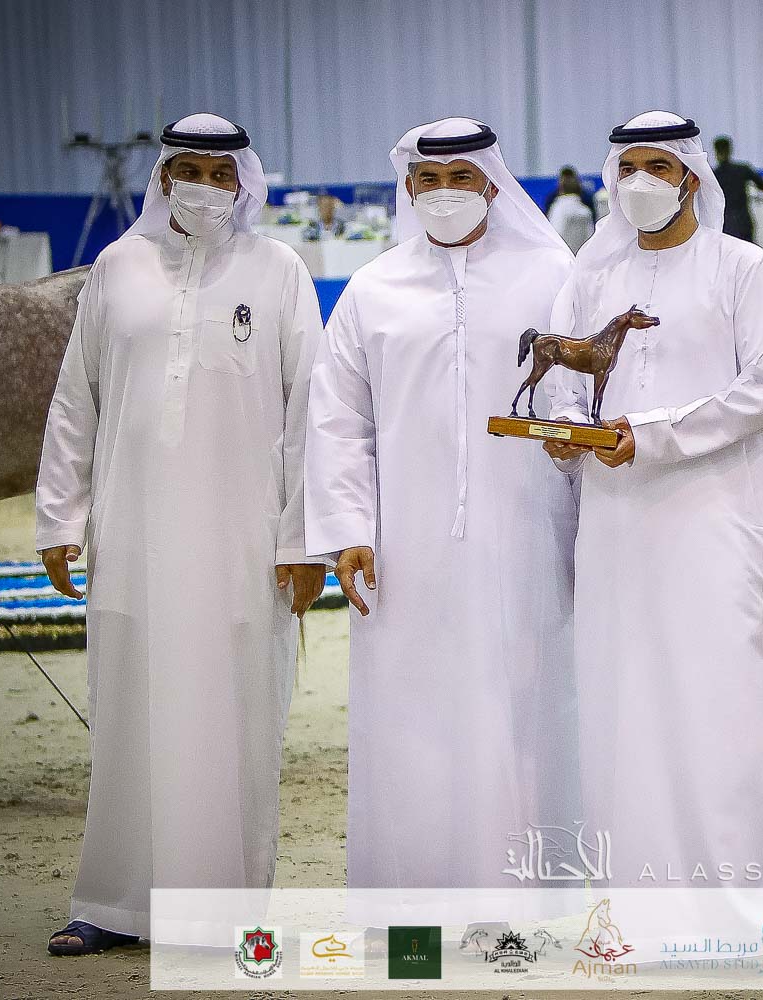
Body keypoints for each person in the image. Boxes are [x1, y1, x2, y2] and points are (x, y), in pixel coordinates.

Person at [35, 113, 327, 954]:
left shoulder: (279, 271)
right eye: (188, 170)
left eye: (220, 172)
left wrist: (303, 540)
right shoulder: (116, 269)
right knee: (127, 715)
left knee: (238, 722)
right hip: (132, 537)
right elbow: (76, 399)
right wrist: (60, 516)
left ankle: (225, 912)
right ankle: (112, 903)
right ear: (163, 178)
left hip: (243, 545)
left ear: (243, 182)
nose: (203, 186)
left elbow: (311, 412)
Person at [541, 109, 763, 972]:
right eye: (626, 167)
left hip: (717, 524)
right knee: (625, 712)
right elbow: (562, 377)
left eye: (657, 166)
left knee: (731, 709)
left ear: (692, 176)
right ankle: (643, 919)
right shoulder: (592, 278)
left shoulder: (745, 269)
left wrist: (652, 434)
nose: (640, 182)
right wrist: (565, 428)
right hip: (617, 528)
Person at [304, 119, 580, 918]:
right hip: (404, 550)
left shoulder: (552, 274)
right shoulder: (373, 289)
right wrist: (348, 529)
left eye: (462, 178)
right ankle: (413, 907)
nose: (445, 194)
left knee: (524, 710)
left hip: (528, 538)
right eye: (429, 180)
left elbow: (583, 398)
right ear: (408, 188)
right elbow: (338, 420)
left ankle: (530, 901)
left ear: (493, 184)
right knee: (411, 719)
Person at [711, 135, 763, 242]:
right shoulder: (743, 169)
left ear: (715, 152)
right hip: (744, 220)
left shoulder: (713, 175)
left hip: (726, 222)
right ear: (730, 150)